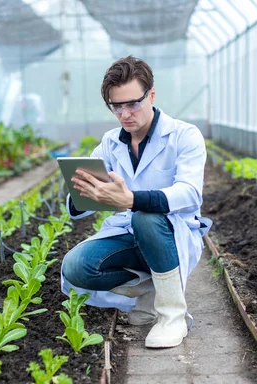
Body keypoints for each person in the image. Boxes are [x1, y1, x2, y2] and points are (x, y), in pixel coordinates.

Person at [60, 56, 211, 349]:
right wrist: (85, 194)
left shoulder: (184, 136)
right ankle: (149, 293)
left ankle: (172, 316)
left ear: (151, 95)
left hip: (169, 234)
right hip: (128, 235)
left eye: (133, 104)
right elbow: (79, 205)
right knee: (76, 267)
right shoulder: (110, 143)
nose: (125, 114)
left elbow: (190, 193)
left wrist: (131, 199)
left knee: (146, 216)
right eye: (117, 106)